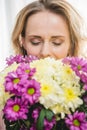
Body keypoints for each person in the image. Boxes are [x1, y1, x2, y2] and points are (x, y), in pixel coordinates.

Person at [0, 0, 87, 130]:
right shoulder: (4, 94)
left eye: (57, 42)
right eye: (35, 42)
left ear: (71, 44)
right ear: (22, 41)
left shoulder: (82, 90)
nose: (45, 52)